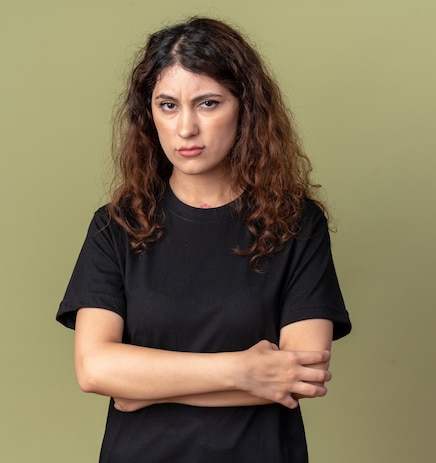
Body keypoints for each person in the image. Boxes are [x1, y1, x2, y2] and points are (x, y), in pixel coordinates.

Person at [56, 16, 351, 463]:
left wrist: (150, 390)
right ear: (148, 114)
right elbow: (94, 368)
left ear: (245, 108)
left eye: (208, 103)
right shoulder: (117, 226)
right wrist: (241, 371)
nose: (186, 128)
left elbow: (298, 375)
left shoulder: (296, 224)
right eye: (168, 105)